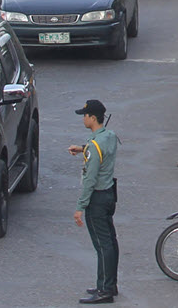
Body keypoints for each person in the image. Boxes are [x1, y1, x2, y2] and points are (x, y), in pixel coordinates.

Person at [71, 99, 119, 304]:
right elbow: (101, 150)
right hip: (109, 193)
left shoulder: (94, 145)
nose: (83, 118)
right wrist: (84, 148)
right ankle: (108, 284)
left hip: (97, 198)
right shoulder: (109, 136)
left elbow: (90, 179)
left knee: (102, 245)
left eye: (85, 115)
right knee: (110, 241)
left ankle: (105, 290)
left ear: (93, 118)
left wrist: (80, 207)